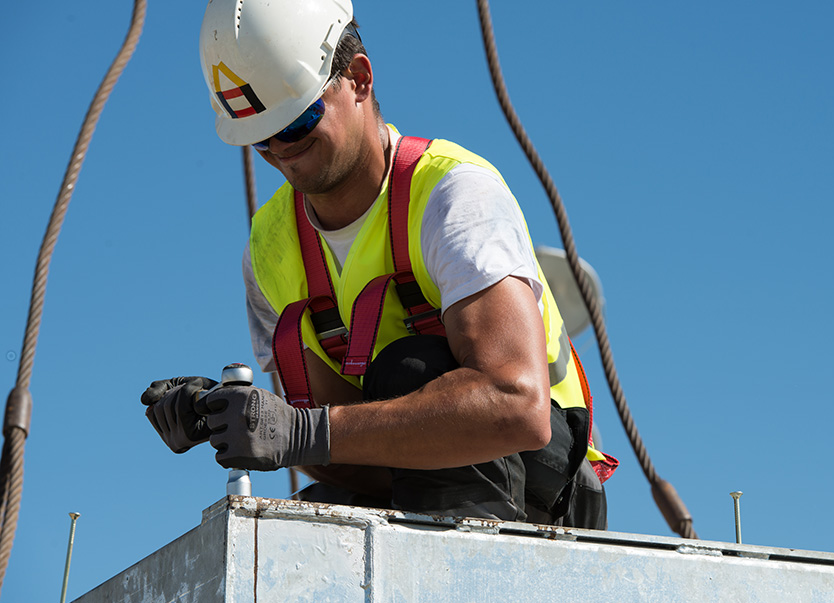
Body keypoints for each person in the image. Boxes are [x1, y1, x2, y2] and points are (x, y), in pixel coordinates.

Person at [142, 0, 616, 529]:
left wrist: (304, 432)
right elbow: (345, 452)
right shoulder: (269, 250)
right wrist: (231, 416)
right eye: (260, 137)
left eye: (298, 122)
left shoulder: (451, 196)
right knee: (290, 535)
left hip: (542, 483)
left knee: (410, 368)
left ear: (359, 78)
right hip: (414, 476)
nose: (282, 152)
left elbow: (516, 407)